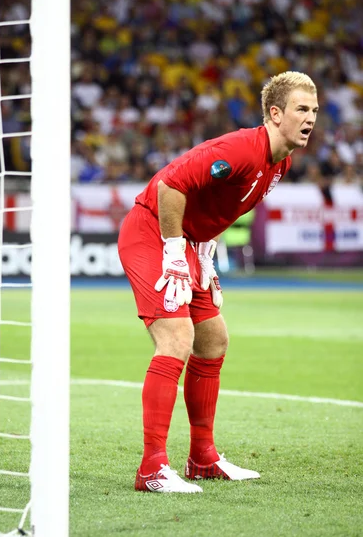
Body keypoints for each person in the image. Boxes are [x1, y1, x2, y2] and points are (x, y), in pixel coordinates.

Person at [118, 71, 318, 493]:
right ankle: (152, 468)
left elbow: (224, 204)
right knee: (176, 338)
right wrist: (175, 251)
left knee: (213, 340)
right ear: (275, 113)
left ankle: (202, 459)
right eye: (302, 109)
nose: (311, 118)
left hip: (188, 241)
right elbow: (172, 184)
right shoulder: (242, 150)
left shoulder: (280, 160)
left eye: (314, 110)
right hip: (151, 230)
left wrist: (205, 251)